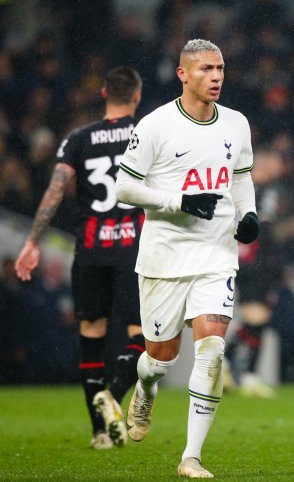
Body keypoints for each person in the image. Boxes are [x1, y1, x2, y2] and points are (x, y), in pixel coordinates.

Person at [115, 39, 259, 479]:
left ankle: (191, 456)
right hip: (164, 258)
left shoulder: (236, 123)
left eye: (220, 68)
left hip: (216, 255)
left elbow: (242, 177)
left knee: (212, 351)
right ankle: (145, 386)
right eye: (205, 69)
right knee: (160, 358)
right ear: (183, 74)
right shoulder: (157, 125)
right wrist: (179, 201)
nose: (215, 77)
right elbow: (124, 188)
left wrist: (248, 212)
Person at [15, 66, 145, 450]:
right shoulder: (145, 133)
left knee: (91, 336)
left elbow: (55, 191)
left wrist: (32, 242)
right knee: (143, 337)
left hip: (89, 250)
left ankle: (99, 432)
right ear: (136, 96)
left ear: (104, 92)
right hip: (133, 249)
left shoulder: (78, 138)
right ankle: (114, 398)